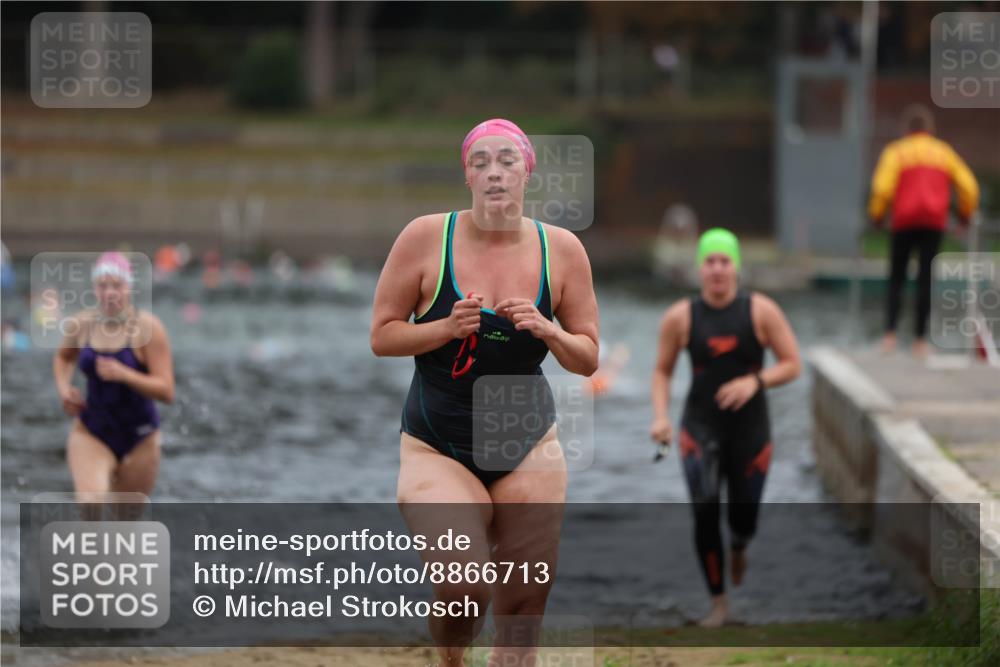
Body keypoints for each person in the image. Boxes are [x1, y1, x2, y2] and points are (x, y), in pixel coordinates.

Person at [370, 119, 599, 665]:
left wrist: (549, 331)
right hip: (437, 448)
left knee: (522, 613)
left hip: (529, 449)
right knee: (463, 589)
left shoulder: (562, 250)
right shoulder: (425, 238)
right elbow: (382, 336)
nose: (494, 173)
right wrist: (445, 329)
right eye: (481, 163)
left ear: (527, 173)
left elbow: (588, 357)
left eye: (506, 162)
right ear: (467, 176)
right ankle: (451, 655)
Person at [650, 229, 800, 627]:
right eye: (710, 261)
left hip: (751, 431)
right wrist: (661, 417)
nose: (717, 269)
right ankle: (719, 605)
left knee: (744, 516)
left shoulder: (761, 311)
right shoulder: (681, 317)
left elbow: (792, 363)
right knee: (704, 510)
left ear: (736, 267)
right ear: (700, 268)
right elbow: (662, 372)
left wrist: (756, 381)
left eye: (724, 261)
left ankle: (739, 544)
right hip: (699, 428)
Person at [53, 251, 174, 503]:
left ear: (128, 287)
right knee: (90, 505)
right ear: (94, 289)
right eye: (102, 286)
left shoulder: (148, 328)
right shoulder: (82, 324)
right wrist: (64, 388)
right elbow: (64, 357)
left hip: (141, 439)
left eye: (116, 285)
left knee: (124, 527)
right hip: (92, 432)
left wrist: (126, 374)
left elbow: (166, 391)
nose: (109, 293)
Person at [868, 104, 979, 358]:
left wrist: (877, 216)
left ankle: (890, 336)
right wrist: (964, 214)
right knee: (925, 280)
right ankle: (920, 341)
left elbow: (882, 189)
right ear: (930, 129)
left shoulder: (896, 152)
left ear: (907, 129)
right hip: (933, 223)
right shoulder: (943, 153)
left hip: (903, 222)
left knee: (896, 278)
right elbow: (969, 187)